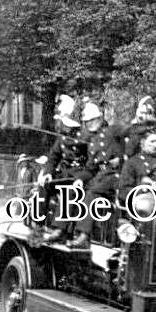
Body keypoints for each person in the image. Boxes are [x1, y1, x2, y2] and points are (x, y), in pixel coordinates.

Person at [68, 101, 127, 248]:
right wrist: (80, 179)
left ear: (100, 119)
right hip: (101, 176)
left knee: (93, 192)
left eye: (91, 121)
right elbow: (90, 168)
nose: (88, 125)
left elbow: (130, 131)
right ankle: (70, 231)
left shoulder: (113, 130)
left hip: (116, 175)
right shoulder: (91, 141)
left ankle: (84, 236)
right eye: (86, 122)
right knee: (76, 190)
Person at [39, 95, 89, 242]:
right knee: (44, 186)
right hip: (64, 175)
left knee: (70, 192)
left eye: (64, 122)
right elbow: (53, 157)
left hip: (79, 178)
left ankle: (59, 229)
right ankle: (39, 224)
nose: (61, 125)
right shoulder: (61, 137)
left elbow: (92, 162)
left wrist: (80, 178)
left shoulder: (85, 137)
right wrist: (48, 173)